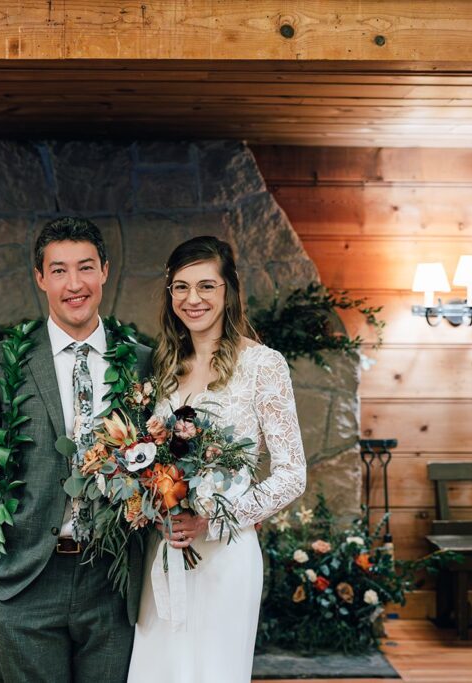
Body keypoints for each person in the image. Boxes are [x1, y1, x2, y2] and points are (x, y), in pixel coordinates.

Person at [0, 217, 153, 683]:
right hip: (25, 579)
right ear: (41, 278)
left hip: (113, 580)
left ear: (105, 271)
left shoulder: (144, 361)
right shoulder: (5, 361)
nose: (74, 284)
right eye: (59, 270)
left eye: (85, 268)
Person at [128, 236, 307, 682]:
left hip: (225, 554)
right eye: (181, 287)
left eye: (207, 286)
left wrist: (215, 519)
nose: (193, 299)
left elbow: (291, 475)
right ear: (170, 295)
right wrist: (148, 502)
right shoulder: (164, 366)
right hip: (166, 550)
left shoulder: (263, 364)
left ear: (229, 291)